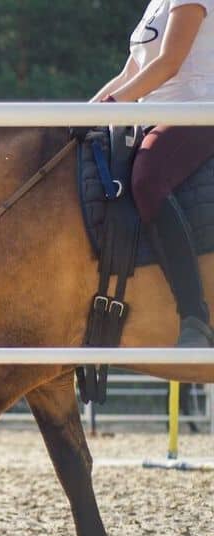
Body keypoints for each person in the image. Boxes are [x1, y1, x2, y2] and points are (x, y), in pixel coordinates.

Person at [92, 0, 214, 347]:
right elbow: (129, 74)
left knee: (147, 180)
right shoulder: (156, 4)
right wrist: (79, 116)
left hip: (197, 112)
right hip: (155, 116)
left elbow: (169, 63)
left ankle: (195, 316)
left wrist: (109, 109)